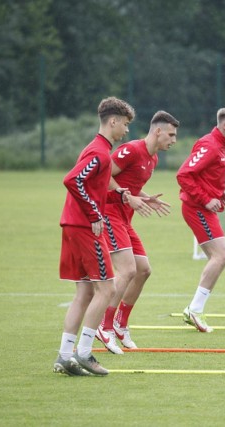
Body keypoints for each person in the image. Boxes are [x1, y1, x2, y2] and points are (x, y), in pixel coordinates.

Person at [53, 96, 135, 376]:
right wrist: (95, 215)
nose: (126, 131)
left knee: (86, 292)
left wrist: (119, 194)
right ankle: (85, 354)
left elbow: (91, 185)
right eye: (124, 125)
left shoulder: (99, 150)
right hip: (85, 228)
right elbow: (73, 180)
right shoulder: (100, 152)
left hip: (73, 226)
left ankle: (65, 356)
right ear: (112, 121)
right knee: (107, 289)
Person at [96, 111, 180, 353]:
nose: (173, 140)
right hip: (109, 213)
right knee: (128, 270)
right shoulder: (132, 149)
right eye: (171, 134)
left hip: (125, 218)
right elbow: (103, 176)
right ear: (157, 131)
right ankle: (105, 325)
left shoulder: (152, 159)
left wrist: (145, 197)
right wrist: (126, 196)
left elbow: (130, 186)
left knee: (143, 270)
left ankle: (121, 325)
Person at [176, 107, 225, 332]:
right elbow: (184, 175)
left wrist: (219, 192)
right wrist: (206, 199)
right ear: (224, 125)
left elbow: (205, 175)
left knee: (218, 259)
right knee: (221, 256)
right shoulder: (210, 145)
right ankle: (194, 310)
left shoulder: (222, 146)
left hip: (202, 207)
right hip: (197, 208)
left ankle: (194, 309)